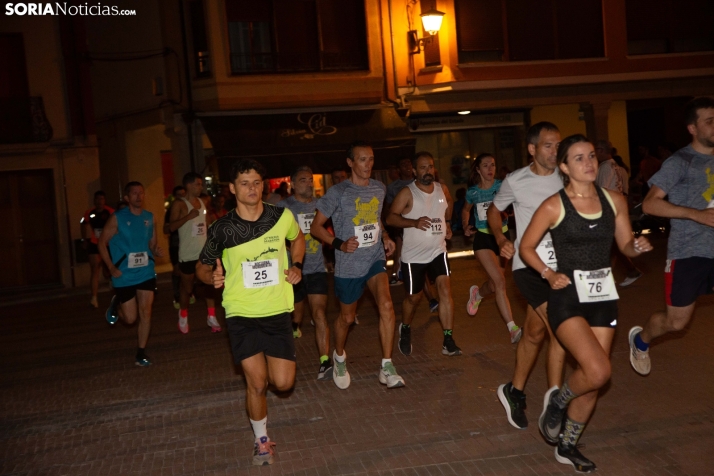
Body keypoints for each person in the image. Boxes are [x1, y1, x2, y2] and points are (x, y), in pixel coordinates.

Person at [520, 134, 652, 472]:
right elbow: (526, 247)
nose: (589, 162)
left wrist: (637, 247)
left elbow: (624, 245)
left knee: (592, 379)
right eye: (578, 158)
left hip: (603, 296)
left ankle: (567, 445)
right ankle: (558, 403)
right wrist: (548, 274)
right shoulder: (555, 204)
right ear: (564, 167)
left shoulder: (615, 201)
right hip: (567, 297)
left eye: (591, 156)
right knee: (598, 370)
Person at [196, 159, 305, 466]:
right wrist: (211, 278)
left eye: (256, 182)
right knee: (256, 383)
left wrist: (296, 265)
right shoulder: (222, 229)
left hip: (277, 311)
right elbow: (201, 269)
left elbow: (297, 240)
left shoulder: (281, 217)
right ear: (232, 189)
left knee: (283, 383)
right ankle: (261, 441)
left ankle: (261, 404)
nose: (252, 189)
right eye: (244, 183)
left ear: (264, 185)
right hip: (241, 314)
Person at [488, 122, 566, 430]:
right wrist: (501, 238)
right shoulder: (516, 180)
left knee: (534, 333)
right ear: (532, 149)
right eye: (548, 145)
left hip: (562, 269)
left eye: (558, 145)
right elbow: (495, 211)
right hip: (529, 266)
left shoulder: (567, 176)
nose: (554, 151)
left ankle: (514, 391)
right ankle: (556, 404)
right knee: (560, 327)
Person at [629, 96, 714, 377]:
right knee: (676, 323)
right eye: (710, 122)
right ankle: (641, 340)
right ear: (693, 128)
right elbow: (650, 204)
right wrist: (696, 214)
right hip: (688, 251)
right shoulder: (680, 162)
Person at [310, 140, 404, 390]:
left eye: (371, 159)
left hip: (374, 257)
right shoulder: (338, 192)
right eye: (362, 159)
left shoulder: (379, 188)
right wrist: (338, 243)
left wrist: (384, 236)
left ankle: (387, 365)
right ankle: (339, 356)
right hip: (349, 265)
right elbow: (315, 227)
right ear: (350, 162)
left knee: (386, 305)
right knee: (347, 318)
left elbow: (376, 220)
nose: (368, 164)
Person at [387, 151, 460, 356]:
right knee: (413, 298)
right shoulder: (407, 193)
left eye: (430, 167)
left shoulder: (442, 188)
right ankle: (406, 328)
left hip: (438, 250)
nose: (428, 171)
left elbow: (449, 203)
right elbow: (391, 218)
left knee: (445, 290)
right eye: (422, 167)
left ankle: (448, 339)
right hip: (414, 256)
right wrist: (413, 222)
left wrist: (446, 223)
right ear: (413, 170)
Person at [100, 182, 164, 367]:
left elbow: (151, 244)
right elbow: (101, 243)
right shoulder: (117, 218)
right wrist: (111, 267)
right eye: (134, 193)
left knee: (146, 312)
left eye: (141, 193)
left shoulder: (150, 217)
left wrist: (156, 250)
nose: (138, 196)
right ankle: (116, 305)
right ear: (127, 198)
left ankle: (141, 352)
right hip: (124, 274)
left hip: (145, 272)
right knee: (130, 319)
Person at [278, 166, 332, 380]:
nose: (309, 183)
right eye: (303, 180)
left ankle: (325, 362)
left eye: (311, 180)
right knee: (297, 316)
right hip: (293, 272)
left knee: (319, 314)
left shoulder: (321, 205)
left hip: (317, 268)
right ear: (292, 184)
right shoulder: (284, 207)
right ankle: (294, 326)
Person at [462, 153, 521, 343]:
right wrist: (465, 225)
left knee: (496, 284)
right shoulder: (473, 192)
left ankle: (477, 294)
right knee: (500, 282)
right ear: (478, 170)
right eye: (485, 165)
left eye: (493, 165)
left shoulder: (502, 186)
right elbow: (466, 209)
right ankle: (512, 329)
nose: (490, 169)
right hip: (482, 238)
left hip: (502, 239)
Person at [169, 173, 220, 334]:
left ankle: (211, 317)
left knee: (209, 285)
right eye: (198, 184)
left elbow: (207, 224)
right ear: (189, 185)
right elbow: (169, 228)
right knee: (187, 288)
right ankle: (183, 314)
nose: (201, 187)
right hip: (187, 254)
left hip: (204, 252)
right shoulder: (179, 204)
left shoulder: (203, 202)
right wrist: (187, 217)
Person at [595, 140, 643, 286]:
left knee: (610, 244)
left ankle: (628, 271)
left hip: (609, 209)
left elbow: (601, 191)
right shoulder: (617, 166)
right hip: (617, 208)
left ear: (602, 151)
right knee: (612, 244)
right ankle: (625, 271)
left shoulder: (604, 167)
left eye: (595, 151)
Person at [383, 157, 414, 286]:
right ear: (399, 169)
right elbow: (388, 207)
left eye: (409, 163)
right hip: (401, 223)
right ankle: (396, 273)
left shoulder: (419, 182)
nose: (407, 166)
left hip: (420, 221)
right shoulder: (393, 187)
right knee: (400, 246)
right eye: (403, 164)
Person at [81, 191, 114, 308]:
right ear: (94, 200)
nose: (99, 201)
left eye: (102, 199)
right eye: (97, 199)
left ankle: (111, 279)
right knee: (95, 268)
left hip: (108, 244)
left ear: (104, 201)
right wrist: (84, 239)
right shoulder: (89, 212)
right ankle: (94, 298)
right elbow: (82, 222)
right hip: (94, 243)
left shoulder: (110, 212)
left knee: (107, 268)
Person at [163, 185, 188, 309]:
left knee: (188, 269)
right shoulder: (170, 211)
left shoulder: (190, 207)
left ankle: (189, 292)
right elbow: (166, 228)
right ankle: (177, 295)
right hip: (175, 243)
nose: (181, 197)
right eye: (178, 195)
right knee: (177, 270)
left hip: (188, 244)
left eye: (183, 194)